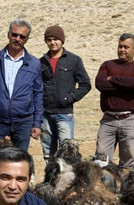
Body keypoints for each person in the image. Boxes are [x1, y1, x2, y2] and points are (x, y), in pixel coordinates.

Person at [0, 19, 43, 152]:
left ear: (26, 39)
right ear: (8, 35)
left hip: (23, 122)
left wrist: (37, 123)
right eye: (14, 35)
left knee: (19, 161)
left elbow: (38, 94)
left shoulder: (34, 63)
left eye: (22, 36)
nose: (17, 39)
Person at [94, 33, 134, 168]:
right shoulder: (107, 65)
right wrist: (126, 87)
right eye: (120, 46)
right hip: (108, 120)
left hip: (129, 120)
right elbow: (100, 84)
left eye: (126, 47)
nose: (122, 50)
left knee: (128, 163)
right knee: (101, 162)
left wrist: (112, 79)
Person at [40, 25, 91, 161]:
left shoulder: (74, 60)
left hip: (64, 114)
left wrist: (69, 98)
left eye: (56, 39)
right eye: (49, 39)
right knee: (48, 154)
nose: (52, 42)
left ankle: (67, 181)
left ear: (62, 40)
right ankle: (51, 180)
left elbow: (85, 84)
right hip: (45, 115)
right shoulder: (41, 62)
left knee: (67, 153)